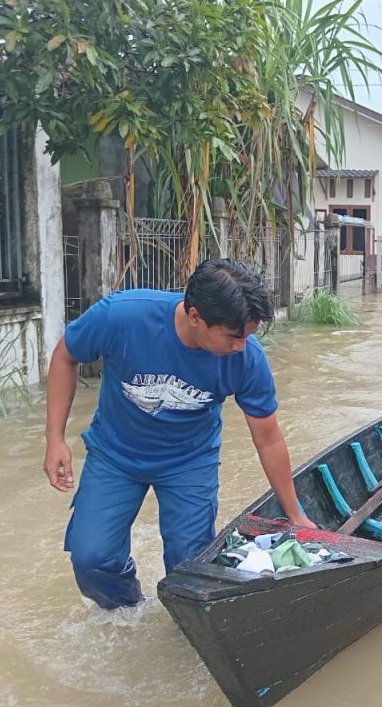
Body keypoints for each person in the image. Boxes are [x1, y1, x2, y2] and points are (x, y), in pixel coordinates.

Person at [43, 258, 316, 608]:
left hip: (189, 463)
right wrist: (55, 438)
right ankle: (129, 609)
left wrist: (294, 513)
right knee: (92, 557)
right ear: (195, 317)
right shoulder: (122, 316)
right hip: (115, 456)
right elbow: (65, 355)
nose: (241, 346)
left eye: (248, 335)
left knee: (190, 568)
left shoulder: (247, 358)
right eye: (233, 336)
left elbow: (268, 438)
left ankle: (182, 623)